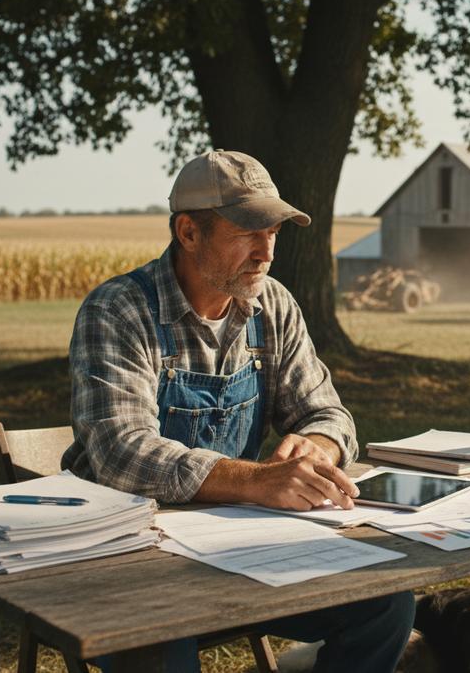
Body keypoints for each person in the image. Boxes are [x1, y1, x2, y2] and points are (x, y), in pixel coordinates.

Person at [63, 149, 414, 673]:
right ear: (188, 232)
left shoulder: (271, 304)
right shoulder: (118, 310)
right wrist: (254, 480)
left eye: (273, 231)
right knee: (164, 643)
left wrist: (318, 446)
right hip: (132, 560)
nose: (266, 251)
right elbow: (121, 454)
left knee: (386, 602)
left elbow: (330, 414)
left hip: (239, 548)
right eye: (249, 231)